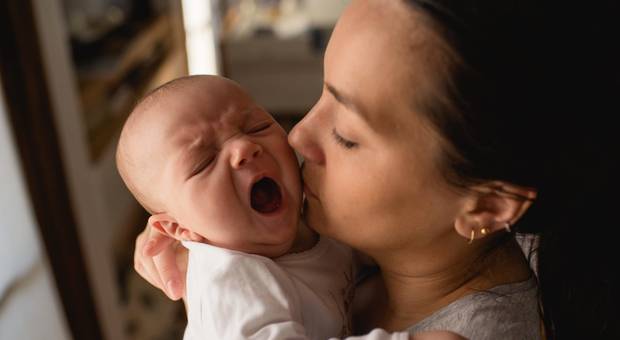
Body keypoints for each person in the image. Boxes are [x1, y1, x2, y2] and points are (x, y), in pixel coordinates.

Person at [133, 1, 619, 339]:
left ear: (487, 205)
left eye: (346, 134)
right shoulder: (378, 246)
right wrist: (216, 259)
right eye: (320, 91)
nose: (297, 135)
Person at [116, 75, 357, 339]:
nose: (244, 147)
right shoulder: (229, 281)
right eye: (204, 161)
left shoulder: (317, 216)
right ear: (178, 228)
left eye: (257, 126)